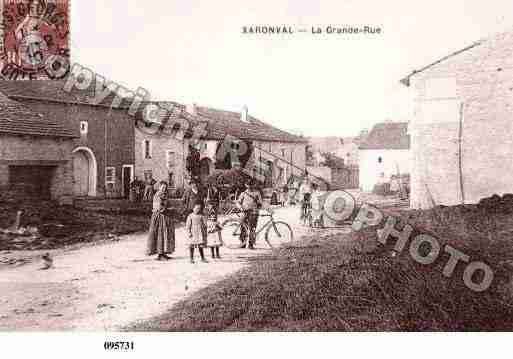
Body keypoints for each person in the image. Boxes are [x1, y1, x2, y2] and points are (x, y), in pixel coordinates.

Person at [146, 181, 175, 261]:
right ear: (159, 187)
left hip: (165, 217)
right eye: (162, 187)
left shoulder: (165, 195)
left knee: (165, 235)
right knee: (160, 235)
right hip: (159, 217)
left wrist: (169, 209)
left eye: (165, 188)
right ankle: (159, 254)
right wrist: (170, 209)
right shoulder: (157, 195)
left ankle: (163, 253)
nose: (164, 189)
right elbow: (160, 208)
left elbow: (167, 205)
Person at [237, 181, 262, 249]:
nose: (250, 186)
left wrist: (257, 208)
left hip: (253, 213)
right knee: (243, 228)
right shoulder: (243, 193)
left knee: (252, 228)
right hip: (244, 212)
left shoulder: (257, 193)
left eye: (251, 185)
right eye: (248, 185)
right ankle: (243, 243)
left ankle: (251, 244)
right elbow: (238, 202)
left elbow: (260, 203)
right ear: (246, 185)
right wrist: (241, 208)